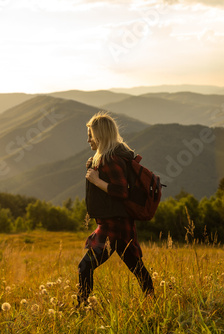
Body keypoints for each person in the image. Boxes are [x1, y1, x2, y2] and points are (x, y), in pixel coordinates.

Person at [78, 111, 154, 306]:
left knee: (85, 266)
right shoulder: (113, 155)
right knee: (137, 267)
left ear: (100, 136)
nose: (88, 140)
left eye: (90, 135)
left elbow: (121, 191)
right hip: (121, 222)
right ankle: (153, 301)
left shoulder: (110, 159)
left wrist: (96, 181)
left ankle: (81, 306)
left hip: (113, 224)